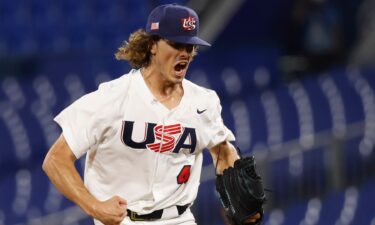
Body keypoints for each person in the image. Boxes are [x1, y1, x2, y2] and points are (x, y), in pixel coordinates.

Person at [42, 4, 261, 225]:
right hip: (123, 221)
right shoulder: (112, 98)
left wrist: (240, 196)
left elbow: (223, 153)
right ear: (152, 45)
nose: (184, 53)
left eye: (190, 46)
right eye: (176, 44)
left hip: (180, 219)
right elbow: (55, 160)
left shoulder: (204, 102)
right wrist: (95, 206)